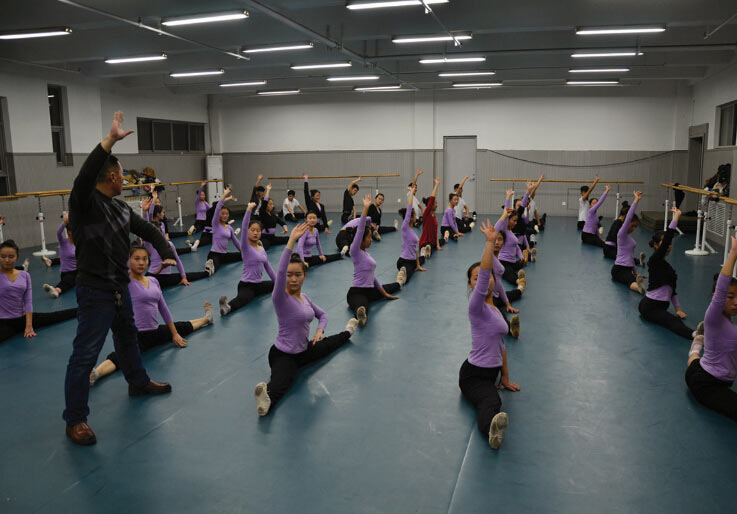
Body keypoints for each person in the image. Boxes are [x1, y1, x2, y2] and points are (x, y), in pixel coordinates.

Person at [63, 112, 175, 446]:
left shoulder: (120, 208)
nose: (124, 179)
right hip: (94, 292)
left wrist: (165, 250)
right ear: (112, 175)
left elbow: (148, 230)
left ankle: (138, 383)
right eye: (123, 174)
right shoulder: (84, 204)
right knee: (85, 354)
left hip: (118, 289)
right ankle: (75, 419)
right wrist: (109, 141)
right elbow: (84, 177)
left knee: (128, 340)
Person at [253, 225, 359, 416]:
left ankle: (348, 331)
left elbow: (323, 315)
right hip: (283, 354)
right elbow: (280, 272)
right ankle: (266, 400)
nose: (293, 279)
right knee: (284, 379)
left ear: (304, 275)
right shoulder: (280, 298)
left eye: (298, 275)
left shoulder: (305, 298)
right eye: (289, 275)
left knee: (329, 345)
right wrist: (291, 242)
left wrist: (320, 330)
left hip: (304, 349)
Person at [89, 246, 214, 385]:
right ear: (129, 261)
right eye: (136, 259)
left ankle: (206, 319)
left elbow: (163, 308)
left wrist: (174, 334)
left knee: (181, 327)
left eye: (144, 259)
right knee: (119, 357)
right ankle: (96, 373)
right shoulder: (125, 283)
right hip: (136, 335)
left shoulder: (153, 281)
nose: (141, 263)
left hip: (154, 331)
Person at [460, 220, 520, 450]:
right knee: (492, 401)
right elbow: (485, 273)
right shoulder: (476, 307)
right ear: (471, 285)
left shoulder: (494, 309)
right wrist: (489, 243)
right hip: (474, 375)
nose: (484, 280)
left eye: (486, 277)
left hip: (490, 373)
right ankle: (491, 432)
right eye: (476, 278)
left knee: (492, 396)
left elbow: (501, 345)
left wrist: (505, 377)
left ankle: (492, 418)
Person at [685, 237, 737, 423]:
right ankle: (699, 341)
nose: (736, 302)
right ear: (717, 297)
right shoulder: (714, 317)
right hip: (706, 384)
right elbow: (722, 286)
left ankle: (698, 343)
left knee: (694, 360)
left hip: (702, 369)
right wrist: (734, 252)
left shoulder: (728, 323)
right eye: (730, 297)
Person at [0, 240, 77, 343]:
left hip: (23, 318)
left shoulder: (24, 275)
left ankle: (81, 309)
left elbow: (28, 301)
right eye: (3, 256)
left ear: (17, 257)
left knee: (55, 317)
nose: (7, 260)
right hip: (3, 322)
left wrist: (29, 326)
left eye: (11, 257)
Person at [639, 208, 694, 339]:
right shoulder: (654, 260)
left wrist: (678, 309)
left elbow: (672, 290)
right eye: (665, 243)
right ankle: (696, 335)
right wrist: (676, 216)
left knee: (673, 318)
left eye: (670, 244)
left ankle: (640, 286)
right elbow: (669, 236)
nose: (669, 245)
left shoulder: (667, 267)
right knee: (673, 322)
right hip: (650, 306)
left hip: (658, 306)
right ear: (656, 245)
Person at [346, 194, 401, 326]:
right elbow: (360, 229)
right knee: (363, 305)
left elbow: (372, 276)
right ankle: (360, 314)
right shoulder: (355, 251)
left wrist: (384, 293)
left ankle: (400, 282)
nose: (371, 240)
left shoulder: (366, 254)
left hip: (370, 290)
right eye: (369, 238)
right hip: (357, 291)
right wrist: (366, 208)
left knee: (393, 286)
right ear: (361, 239)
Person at [219, 203, 276, 316]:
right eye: (253, 230)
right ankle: (227, 307)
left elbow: (269, 268)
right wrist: (249, 210)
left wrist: (278, 283)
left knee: (277, 285)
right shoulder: (245, 247)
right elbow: (244, 227)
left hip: (258, 285)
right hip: (246, 285)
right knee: (244, 299)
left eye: (258, 231)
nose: (255, 233)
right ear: (248, 231)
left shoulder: (261, 249)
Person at [610, 192, 646, 294]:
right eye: (632, 226)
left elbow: (630, 256)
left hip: (628, 269)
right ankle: (641, 289)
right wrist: (636, 200)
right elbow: (629, 217)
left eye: (635, 227)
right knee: (629, 281)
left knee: (631, 279)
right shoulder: (621, 234)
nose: (633, 229)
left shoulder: (629, 239)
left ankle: (639, 285)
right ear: (627, 223)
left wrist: (636, 272)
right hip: (619, 269)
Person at [396, 169, 426, 286]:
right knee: (409, 273)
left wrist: (418, 265)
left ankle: (422, 255)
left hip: (413, 260)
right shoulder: (405, 227)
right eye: (413, 215)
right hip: (404, 261)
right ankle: (402, 273)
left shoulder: (412, 231)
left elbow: (414, 250)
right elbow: (409, 209)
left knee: (422, 260)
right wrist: (417, 175)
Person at [204, 188, 242, 275]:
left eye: (226, 214)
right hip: (214, 254)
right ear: (219, 215)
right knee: (214, 268)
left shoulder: (229, 227)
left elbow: (235, 241)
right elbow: (218, 208)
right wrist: (225, 195)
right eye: (223, 213)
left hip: (224, 255)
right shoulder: (215, 224)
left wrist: (242, 251)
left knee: (243, 256)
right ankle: (210, 264)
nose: (225, 215)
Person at [495, 190, 528, 288]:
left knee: (521, 263)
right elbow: (506, 213)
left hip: (512, 262)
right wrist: (508, 197)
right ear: (508, 220)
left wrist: (521, 256)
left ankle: (526, 258)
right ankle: (519, 282)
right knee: (508, 273)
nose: (515, 223)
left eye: (516, 221)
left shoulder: (510, 232)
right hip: (503, 261)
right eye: (514, 221)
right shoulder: (504, 229)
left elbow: (517, 247)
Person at [492, 230, 521, 338]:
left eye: (500, 239)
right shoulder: (489, 258)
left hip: (496, 296)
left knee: (516, 293)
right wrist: (504, 218)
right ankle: (511, 329)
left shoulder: (499, 264)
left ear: (504, 243)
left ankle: (520, 288)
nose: (496, 242)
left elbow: (499, 285)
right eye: (494, 240)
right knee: (498, 314)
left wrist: (508, 304)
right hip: (488, 300)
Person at [42, 217, 77, 298]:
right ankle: (56, 290)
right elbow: (58, 232)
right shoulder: (64, 242)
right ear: (69, 232)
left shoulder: (78, 242)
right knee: (70, 280)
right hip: (67, 272)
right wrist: (64, 222)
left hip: (78, 271)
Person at [259, 184, 289, 250]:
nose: (272, 206)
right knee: (263, 248)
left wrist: (285, 228)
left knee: (289, 239)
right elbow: (265, 202)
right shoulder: (262, 213)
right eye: (270, 204)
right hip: (265, 238)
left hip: (272, 238)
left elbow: (282, 222)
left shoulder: (273, 215)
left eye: (272, 204)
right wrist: (268, 190)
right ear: (266, 205)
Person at [419, 177, 443, 258]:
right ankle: (424, 250)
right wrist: (436, 185)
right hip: (425, 241)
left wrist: (438, 245)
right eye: (435, 203)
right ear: (431, 205)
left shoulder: (434, 217)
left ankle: (429, 248)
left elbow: (435, 233)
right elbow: (432, 198)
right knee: (429, 247)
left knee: (442, 241)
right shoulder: (427, 214)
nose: (437, 205)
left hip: (433, 242)